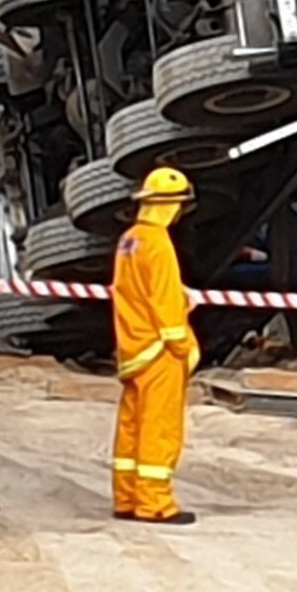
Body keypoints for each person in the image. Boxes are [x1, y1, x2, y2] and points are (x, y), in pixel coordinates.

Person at [110, 168, 201, 526]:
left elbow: (132, 290)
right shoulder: (159, 243)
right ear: (172, 206)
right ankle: (155, 503)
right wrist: (180, 343)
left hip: (133, 345)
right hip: (159, 348)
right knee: (159, 428)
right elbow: (162, 297)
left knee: (132, 425)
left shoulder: (129, 240)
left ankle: (127, 497)